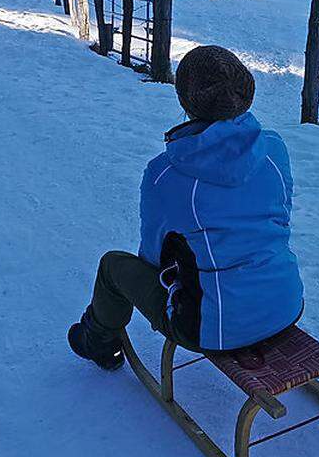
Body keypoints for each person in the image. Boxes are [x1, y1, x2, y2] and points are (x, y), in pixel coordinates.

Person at [68, 46, 304, 370]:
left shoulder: (165, 173)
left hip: (215, 329)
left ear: (185, 100)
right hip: (286, 304)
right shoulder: (274, 149)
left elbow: (152, 256)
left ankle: (97, 339)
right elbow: (281, 218)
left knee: (113, 266)